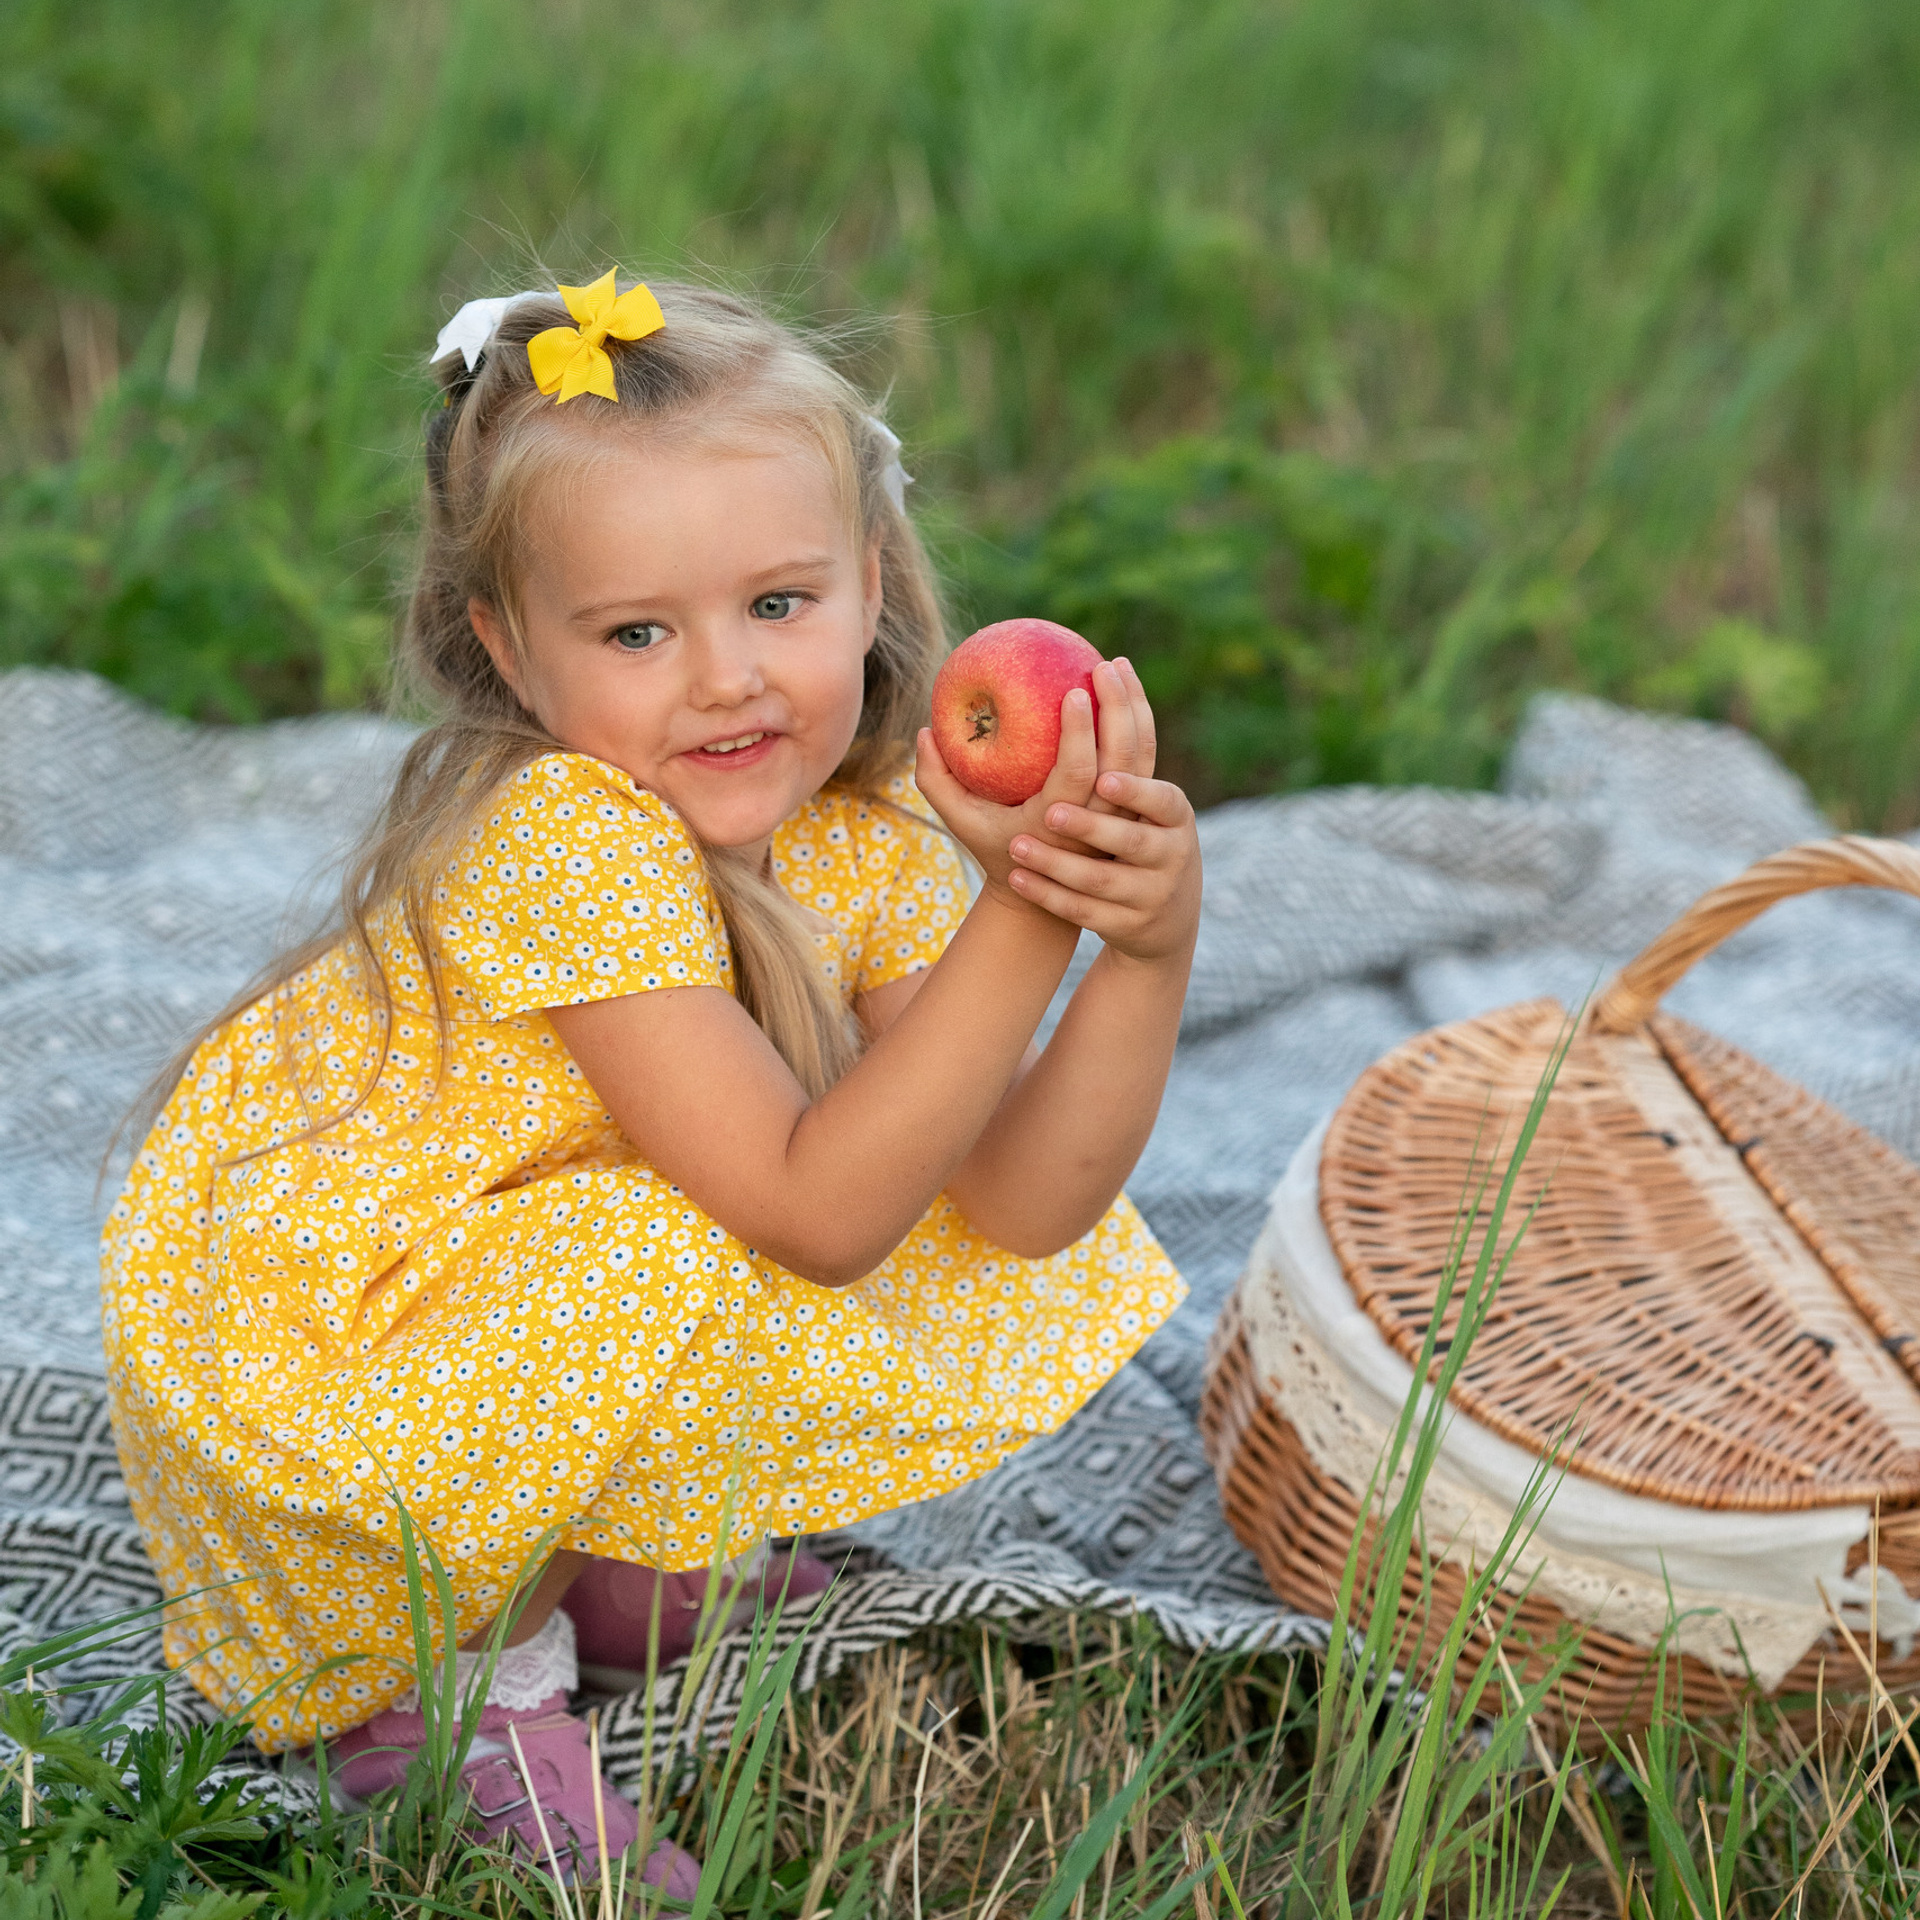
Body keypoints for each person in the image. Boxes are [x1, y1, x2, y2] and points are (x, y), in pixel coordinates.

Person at [100, 273, 1198, 1883]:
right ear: (508, 646)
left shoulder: (857, 836)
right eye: (636, 632)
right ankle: (443, 1695)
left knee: (822, 1186)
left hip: (488, 1323)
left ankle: (585, 1546)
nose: (727, 678)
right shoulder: (559, 834)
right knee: (675, 1237)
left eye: (780, 604)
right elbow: (815, 1212)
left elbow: (1023, 1204)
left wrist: (1144, 950)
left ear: (870, 578)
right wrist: (1031, 915)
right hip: (314, 1376)